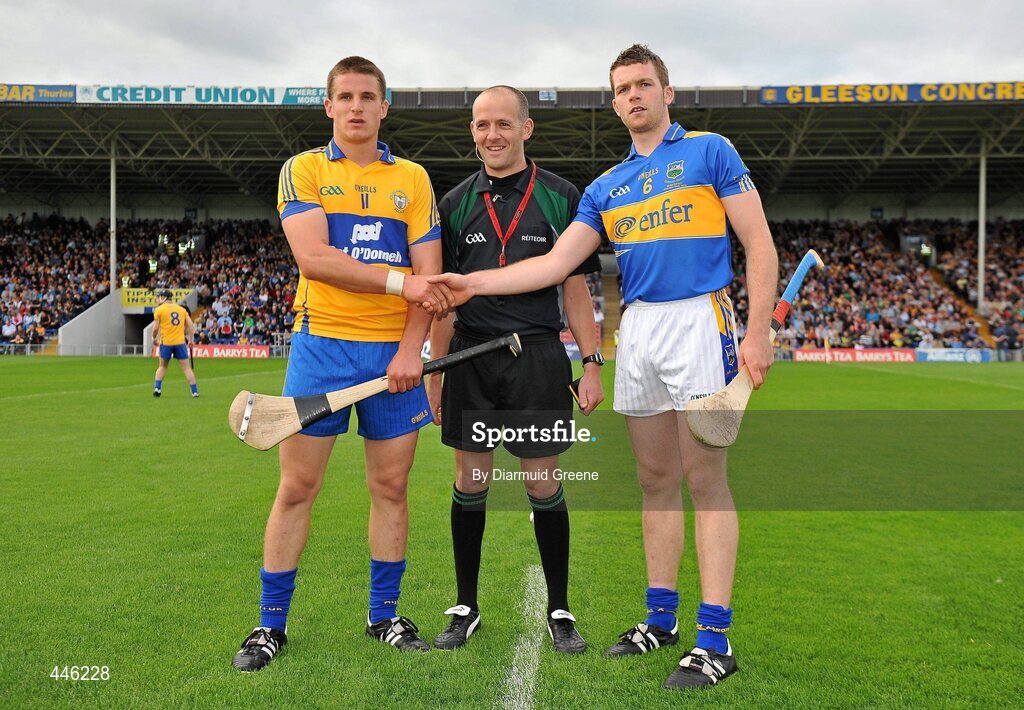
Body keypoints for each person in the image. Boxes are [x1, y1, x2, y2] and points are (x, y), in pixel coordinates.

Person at [429, 44, 778, 691]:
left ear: (666, 92)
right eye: (622, 89)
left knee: (705, 480)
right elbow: (554, 265)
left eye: (644, 84)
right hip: (639, 327)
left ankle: (713, 640)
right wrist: (471, 284)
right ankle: (660, 620)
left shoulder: (710, 151)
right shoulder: (604, 188)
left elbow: (757, 241)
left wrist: (756, 331)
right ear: (614, 102)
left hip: (700, 318)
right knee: (653, 479)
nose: (633, 96)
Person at [231, 56, 455, 672]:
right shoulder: (302, 169)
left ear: (385, 108)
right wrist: (400, 285)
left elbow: (429, 277)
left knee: (390, 487)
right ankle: (269, 625)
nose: (356, 107)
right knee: (298, 487)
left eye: (368, 97)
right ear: (329, 106)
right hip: (322, 346)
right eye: (345, 97)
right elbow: (316, 259)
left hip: (393, 355)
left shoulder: (412, 178)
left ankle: (384, 614)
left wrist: (414, 348)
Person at [427, 85, 604, 654]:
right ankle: (465, 605)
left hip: (537, 355)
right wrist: (435, 369)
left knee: (542, 481)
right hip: (472, 357)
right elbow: (442, 299)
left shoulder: (559, 195)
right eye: (481, 125)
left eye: (504, 124)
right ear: (472, 131)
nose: (492, 135)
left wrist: (593, 362)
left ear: (527, 129)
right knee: (470, 481)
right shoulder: (452, 203)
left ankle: (559, 607)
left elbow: (575, 289)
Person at [151, 290, 198, 398]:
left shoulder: (159, 310)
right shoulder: (181, 310)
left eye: (159, 297)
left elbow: (155, 328)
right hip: (180, 342)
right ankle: (194, 391)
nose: (158, 299)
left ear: (163, 297)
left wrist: (154, 338)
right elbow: (190, 326)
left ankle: (157, 388)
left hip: (166, 342)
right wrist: (191, 340)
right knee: (187, 368)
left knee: (162, 366)